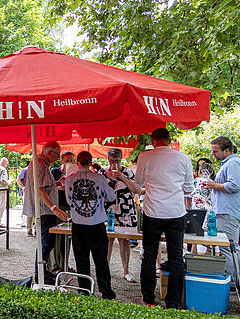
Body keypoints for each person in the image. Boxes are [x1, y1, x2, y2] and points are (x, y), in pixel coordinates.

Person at [112, 128, 193, 308]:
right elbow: (188, 189)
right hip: (176, 212)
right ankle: (173, 302)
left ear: (153, 140)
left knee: (149, 256)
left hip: (153, 212)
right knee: (176, 257)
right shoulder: (184, 158)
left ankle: (148, 298)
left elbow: (139, 183)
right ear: (169, 140)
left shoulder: (145, 157)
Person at [64, 151, 117, 299]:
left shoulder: (69, 179)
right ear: (91, 162)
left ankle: (84, 291)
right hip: (96, 223)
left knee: (81, 260)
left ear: (77, 162)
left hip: (78, 224)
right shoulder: (99, 178)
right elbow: (111, 196)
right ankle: (106, 292)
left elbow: (69, 201)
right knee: (101, 260)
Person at [205, 136, 240, 292]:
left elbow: (234, 185)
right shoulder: (231, 163)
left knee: (228, 248)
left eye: (215, 151)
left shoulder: (234, 163)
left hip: (228, 211)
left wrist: (213, 185)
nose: (213, 154)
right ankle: (236, 282)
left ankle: (232, 283)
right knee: (232, 247)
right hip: (228, 211)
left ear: (227, 150)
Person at [23, 141, 69, 280]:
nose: (58, 157)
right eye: (58, 154)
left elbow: (43, 186)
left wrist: (56, 183)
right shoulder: (40, 164)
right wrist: (54, 208)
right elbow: (40, 190)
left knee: (46, 241)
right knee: (46, 241)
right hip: (44, 210)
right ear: (50, 153)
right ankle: (40, 273)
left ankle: (42, 271)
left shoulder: (40, 163)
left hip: (44, 210)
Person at [104, 148, 138, 283]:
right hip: (108, 210)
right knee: (108, 239)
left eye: (117, 160)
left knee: (124, 240)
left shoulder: (128, 171)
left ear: (121, 159)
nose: (114, 163)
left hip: (125, 209)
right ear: (108, 159)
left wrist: (121, 176)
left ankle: (126, 271)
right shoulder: (103, 173)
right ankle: (105, 269)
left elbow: (135, 190)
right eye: (111, 160)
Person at [16, 163, 34, 236]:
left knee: (33, 211)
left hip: (33, 192)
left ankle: (33, 229)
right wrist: (23, 187)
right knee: (29, 210)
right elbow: (18, 179)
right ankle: (29, 229)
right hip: (27, 193)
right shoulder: (25, 170)